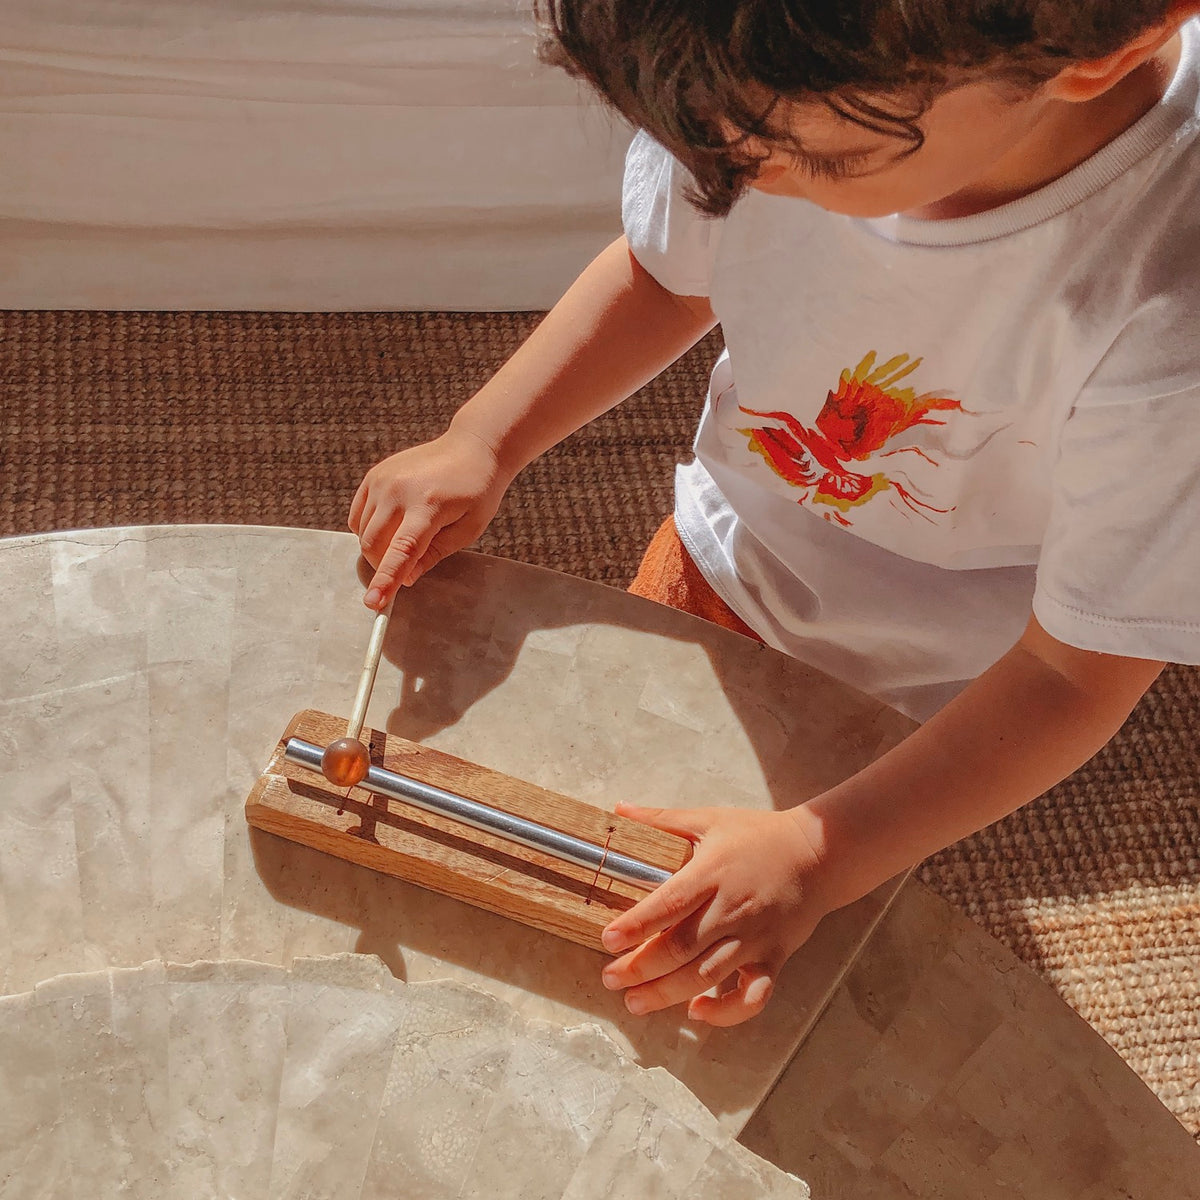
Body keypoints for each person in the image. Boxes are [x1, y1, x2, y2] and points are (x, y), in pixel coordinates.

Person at [349, 1, 1200, 1026]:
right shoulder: (748, 79)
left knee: (809, 973)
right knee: (626, 870)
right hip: (724, 555)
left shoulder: (1169, 311)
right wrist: (485, 436)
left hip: (962, 686)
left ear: (1107, 49)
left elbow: (1069, 677)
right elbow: (667, 277)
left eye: (812, 163)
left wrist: (818, 852)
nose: (738, 179)